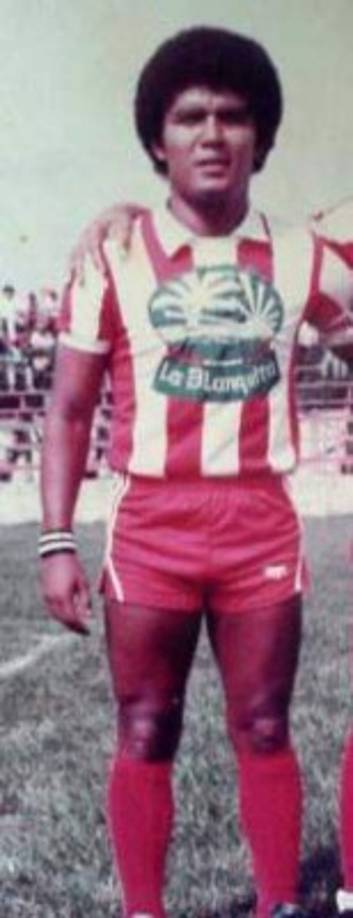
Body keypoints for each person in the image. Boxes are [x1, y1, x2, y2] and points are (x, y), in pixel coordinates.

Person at [39, 27, 353, 918]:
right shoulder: (109, 256)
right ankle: (144, 911)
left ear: (260, 137)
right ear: (156, 142)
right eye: (189, 118)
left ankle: (275, 905)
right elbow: (65, 409)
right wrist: (57, 542)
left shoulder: (305, 259)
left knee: (263, 726)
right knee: (145, 728)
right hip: (151, 528)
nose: (212, 134)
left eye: (232, 117)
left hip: (258, 521)